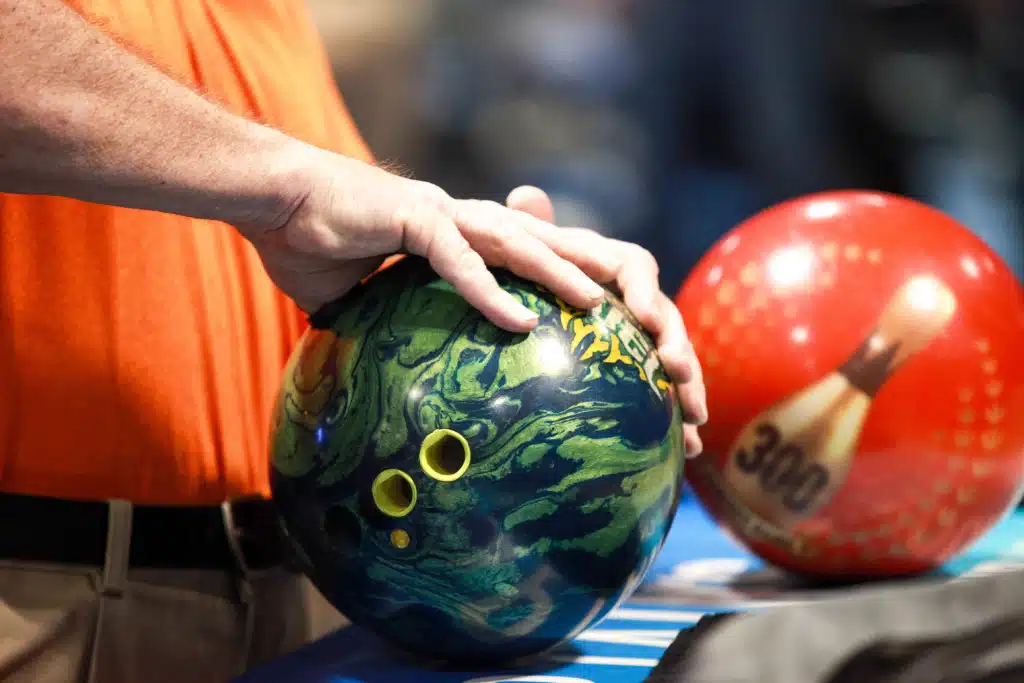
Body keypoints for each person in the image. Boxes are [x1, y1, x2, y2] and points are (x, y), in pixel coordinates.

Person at [0, 1, 707, 681]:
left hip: (323, 589)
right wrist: (290, 184)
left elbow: (321, 230)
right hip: (47, 598)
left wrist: (502, 283)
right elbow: (286, 186)